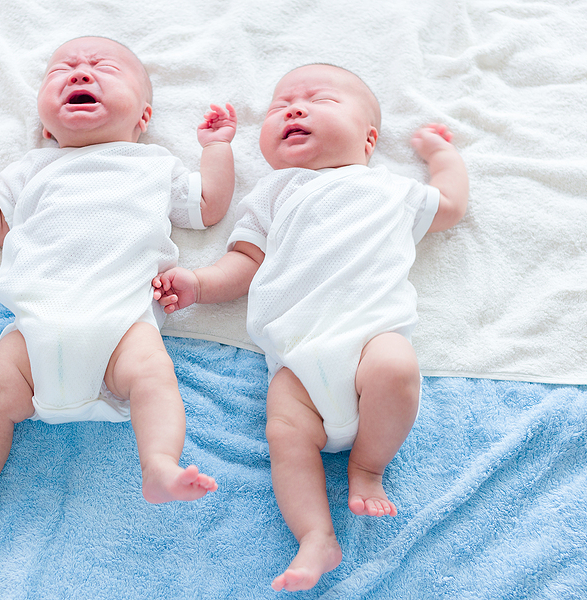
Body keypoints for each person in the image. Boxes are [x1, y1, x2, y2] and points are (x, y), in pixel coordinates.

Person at [0, 36, 237, 542]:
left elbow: (208, 205)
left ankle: (160, 464)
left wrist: (217, 150)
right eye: (63, 70)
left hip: (122, 321)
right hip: (35, 325)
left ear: (143, 118)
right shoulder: (33, 168)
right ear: (44, 125)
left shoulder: (154, 163)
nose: (80, 73)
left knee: (152, 377)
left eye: (103, 67)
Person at [152, 63, 468, 591]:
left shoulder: (389, 189)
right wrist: (199, 284)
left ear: (369, 140)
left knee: (397, 366)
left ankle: (368, 467)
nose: (294, 109)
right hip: (296, 358)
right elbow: (245, 264)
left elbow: (452, 205)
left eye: (319, 100)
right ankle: (315, 535)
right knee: (285, 433)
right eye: (280, 106)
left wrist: (442, 157)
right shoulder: (272, 195)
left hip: (370, 339)